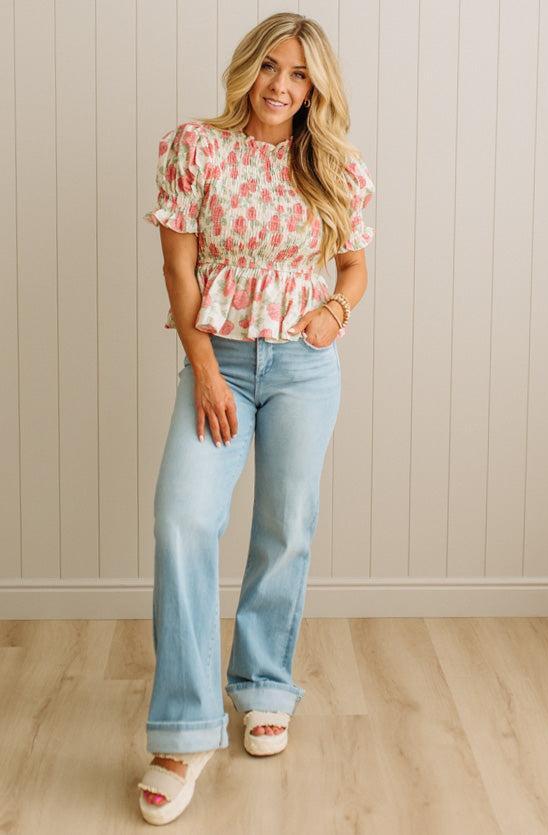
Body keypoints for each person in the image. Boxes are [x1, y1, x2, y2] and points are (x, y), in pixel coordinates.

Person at [137, 10, 375, 825]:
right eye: (271, 67)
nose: (282, 85)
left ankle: (264, 686)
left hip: (305, 369)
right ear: (248, 68)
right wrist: (204, 368)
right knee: (183, 519)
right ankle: (183, 729)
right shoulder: (194, 148)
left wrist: (333, 314)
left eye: (299, 74)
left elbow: (354, 264)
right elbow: (176, 266)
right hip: (221, 363)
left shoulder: (331, 163)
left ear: (316, 87)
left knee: (284, 526)